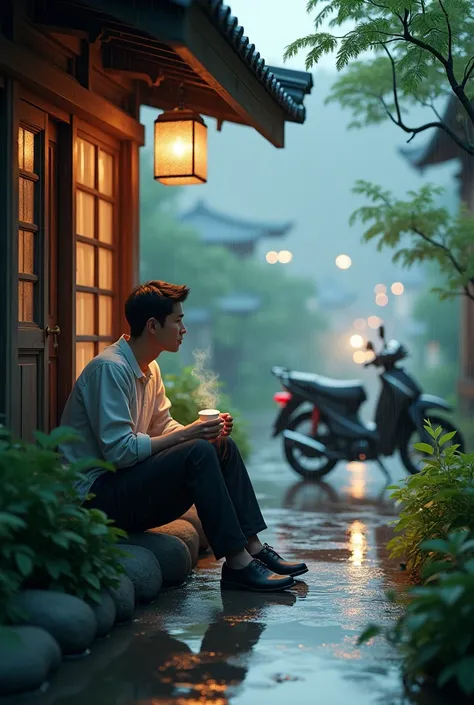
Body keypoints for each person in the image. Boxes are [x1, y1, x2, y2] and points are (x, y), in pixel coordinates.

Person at [60, 280, 308, 592]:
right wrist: (191, 436)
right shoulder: (110, 369)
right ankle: (237, 564)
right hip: (95, 498)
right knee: (197, 451)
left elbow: (165, 428)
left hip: (123, 486)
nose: (184, 329)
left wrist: (205, 432)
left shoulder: (149, 369)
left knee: (220, 445)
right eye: (177, 321)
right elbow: (119, 452)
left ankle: (253, 549)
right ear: (153, 325)